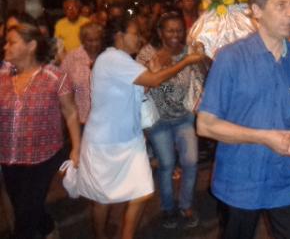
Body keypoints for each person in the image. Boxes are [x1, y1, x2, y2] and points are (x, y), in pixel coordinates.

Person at [197, 0, 290, 239]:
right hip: (240, 182)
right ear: (257, 11)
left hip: (288, 179)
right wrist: (264, 137)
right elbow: (205, 125)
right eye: (281, 5)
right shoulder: (230, 58)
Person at [77, 18, 204, 239]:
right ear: (119, 36)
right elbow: (154, 81)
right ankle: (100, 235)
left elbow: (141, 90)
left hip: (129, 140)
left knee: (142, 191)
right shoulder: (111, 58)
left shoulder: (125, 61)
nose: (139, 38)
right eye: (135, 33)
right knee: (103, 198)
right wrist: (185, 62)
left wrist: (152, 74)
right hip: (106, 142)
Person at [0, 20, 81, 239]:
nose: (5, 47)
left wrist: (76, 148)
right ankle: (46, 226)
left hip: (43, 157)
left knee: (24, 219)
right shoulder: (2, 75)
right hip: (8, 156)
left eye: (11, 43)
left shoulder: (54, 76)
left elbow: (71, 112)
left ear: (31, 45)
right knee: (23, 206)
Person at [136, 12, 207, 230]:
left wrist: (201, 58)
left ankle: (185, 205)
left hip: (184, 117)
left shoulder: (189, 51)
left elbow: (202, 76)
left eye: (179, 30)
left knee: (191, 162)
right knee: (166, 165)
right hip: (158, 121)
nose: (175, 34)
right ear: (160, 32)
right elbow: (142, 83)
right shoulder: (148, 53)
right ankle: (168, 209)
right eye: (169, 30)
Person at [60, 22, 104, 124]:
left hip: (104, 119)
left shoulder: (107, 56)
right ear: (82, 40)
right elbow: (62, 87)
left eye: (97, 39)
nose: (94, 43)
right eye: (90, 40)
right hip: (80, 119)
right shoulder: (72, 58)